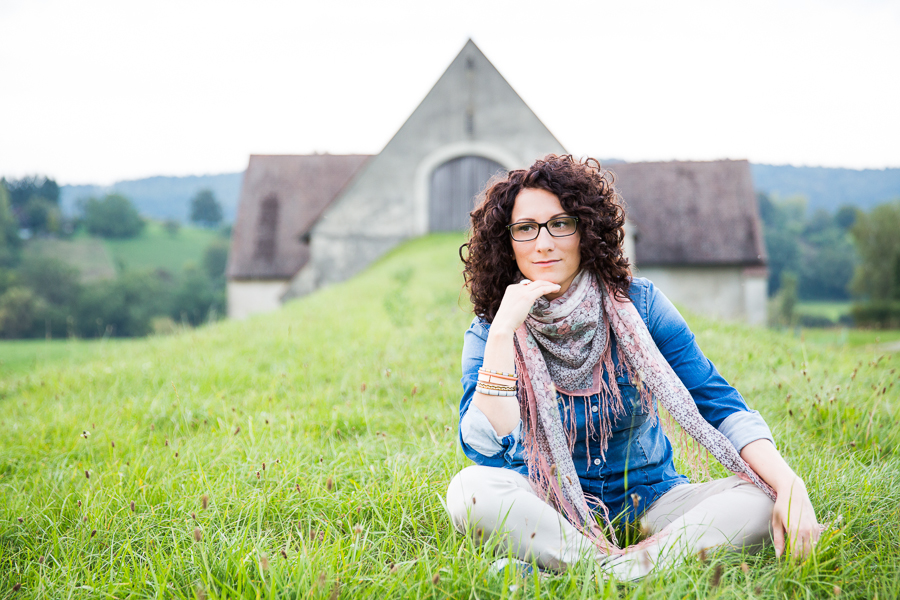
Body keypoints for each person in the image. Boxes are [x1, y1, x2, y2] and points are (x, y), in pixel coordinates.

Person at [445, 155, 821, 579]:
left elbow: (718, 402)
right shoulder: (489, 331)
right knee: (468, 492)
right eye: (525, 228)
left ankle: (589, 573)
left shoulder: (641, 304)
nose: (543, 243)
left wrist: (789, 484)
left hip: (653, 501)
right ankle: (629, 570)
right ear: (507, 241)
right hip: (549, 504)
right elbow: (483, 450)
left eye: (560, 223)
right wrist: (501, 335)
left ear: (585, 229)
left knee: (759, 501)